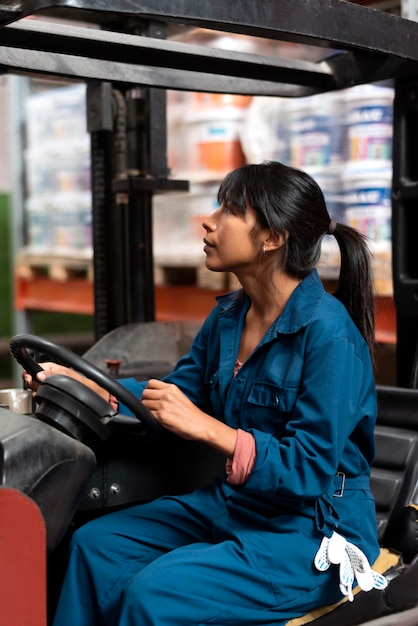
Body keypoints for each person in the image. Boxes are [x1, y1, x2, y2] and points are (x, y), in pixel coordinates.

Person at [24, 161, 384, 626]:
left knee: (154, 594)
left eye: (230, 210)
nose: (209, 221)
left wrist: (210, 430)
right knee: (95, 546)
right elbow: (177, 394)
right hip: (239, 505)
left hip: (314, 531)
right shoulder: (231, 317)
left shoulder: (328, 336)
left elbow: (308, 468)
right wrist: (86, 384)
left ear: (273, 237)